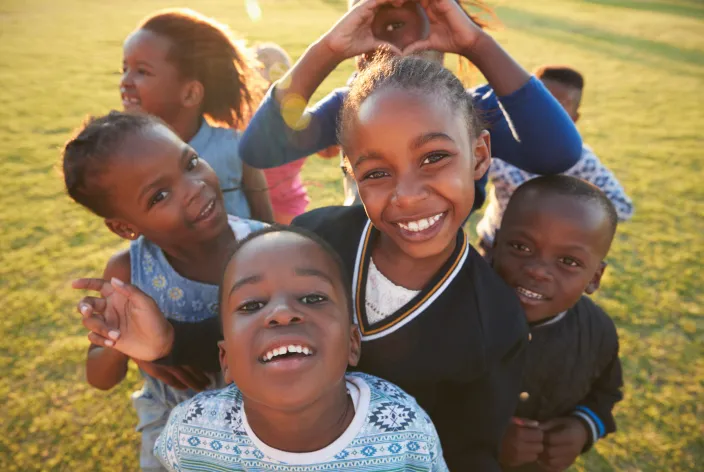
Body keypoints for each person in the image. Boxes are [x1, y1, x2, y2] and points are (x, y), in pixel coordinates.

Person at [75, 56, 529, 471]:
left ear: (480, 156)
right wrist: (167, 341)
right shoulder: (317, 237)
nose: (407, 194)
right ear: (352, 175)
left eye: (434, 158)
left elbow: (471, 449)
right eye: (376, 172)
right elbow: (248, 330)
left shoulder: (497, 321)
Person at [152, 226, 448, 471]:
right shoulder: (190, 434)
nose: (282, 312)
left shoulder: (406, 432)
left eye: (312, 298)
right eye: (252, 304)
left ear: (351, 344)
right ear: (225, 360)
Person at [238, 0, 583, 209]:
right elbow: (259, 149)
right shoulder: (350, 109)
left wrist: (477, 44)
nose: (394, 29)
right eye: (378, 15)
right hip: (359, 269)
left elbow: (558, 153)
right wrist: (328, 49)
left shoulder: (473, 111)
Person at [64, 112, 265, 471]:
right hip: (173, 429)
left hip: (265, 420)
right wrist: (117, 342)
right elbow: (101, 378)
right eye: (159, 195)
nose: (194, 187)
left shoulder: (267, 247)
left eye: (190, 163)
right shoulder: (128, 274)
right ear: (125, 226)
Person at [492, 175, 624, 471]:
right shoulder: (454, 316)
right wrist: (482, 436)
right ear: (496, 243)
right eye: (521, 247)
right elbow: (414, 395)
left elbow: (606, 393)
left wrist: (582, 429)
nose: (538, 271)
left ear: (594, 278)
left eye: (568, 261)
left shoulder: (598, 332)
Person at [121, 8, 273, 221]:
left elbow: (267, 222)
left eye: (142, 71)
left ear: (190, 93)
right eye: (125, 68)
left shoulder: (236, 147)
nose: (125, 81)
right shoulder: (127, 156)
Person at [476, 64, 634, 261]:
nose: (547, 113)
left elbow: (622, 207)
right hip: (494, 245)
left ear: (574, 119)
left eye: (559, 106)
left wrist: (564, 215)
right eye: (542, 102)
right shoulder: (497, 144)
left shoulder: (582, 162)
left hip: (549, 259)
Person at [253, 43, 311, 224]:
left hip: (285, 207)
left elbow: (329, 150)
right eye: (264, 66)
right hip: (258, 205)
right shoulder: (241, 117)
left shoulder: (297, 115)